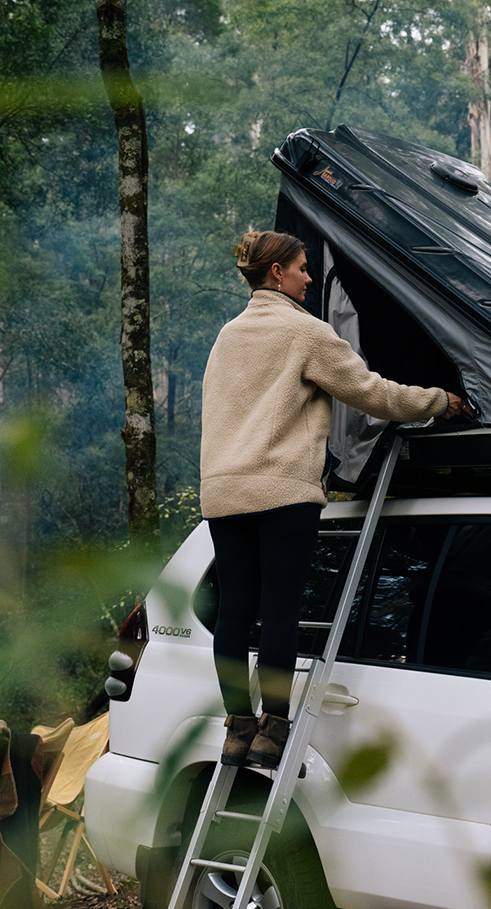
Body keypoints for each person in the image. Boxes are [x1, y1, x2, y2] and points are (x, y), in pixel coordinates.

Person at [200, 230, 464, 769]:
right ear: (276, 273)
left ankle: (237, 729)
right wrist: (440, 401)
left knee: (234, 613)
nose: (309, 276)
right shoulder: (305, 332)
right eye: (301, 268)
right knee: (279, 611)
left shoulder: (227, 335)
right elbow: (374, 393)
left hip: (224, 491)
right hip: (280, 491)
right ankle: (273, 728)